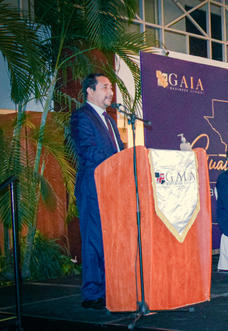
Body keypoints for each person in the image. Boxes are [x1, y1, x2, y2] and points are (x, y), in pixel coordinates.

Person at [70, 73, 124, 309]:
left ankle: (111, 287)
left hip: (112, 187)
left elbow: (119, 149)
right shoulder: (82, 117)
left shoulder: (110, 120)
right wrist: (118, 158)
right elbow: (89, 152)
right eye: (105, 87)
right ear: (90, 91)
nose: (110, 92)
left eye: (111, 88)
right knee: (93, 239)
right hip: (92, 187)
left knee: (110, 240)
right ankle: (92, 293)